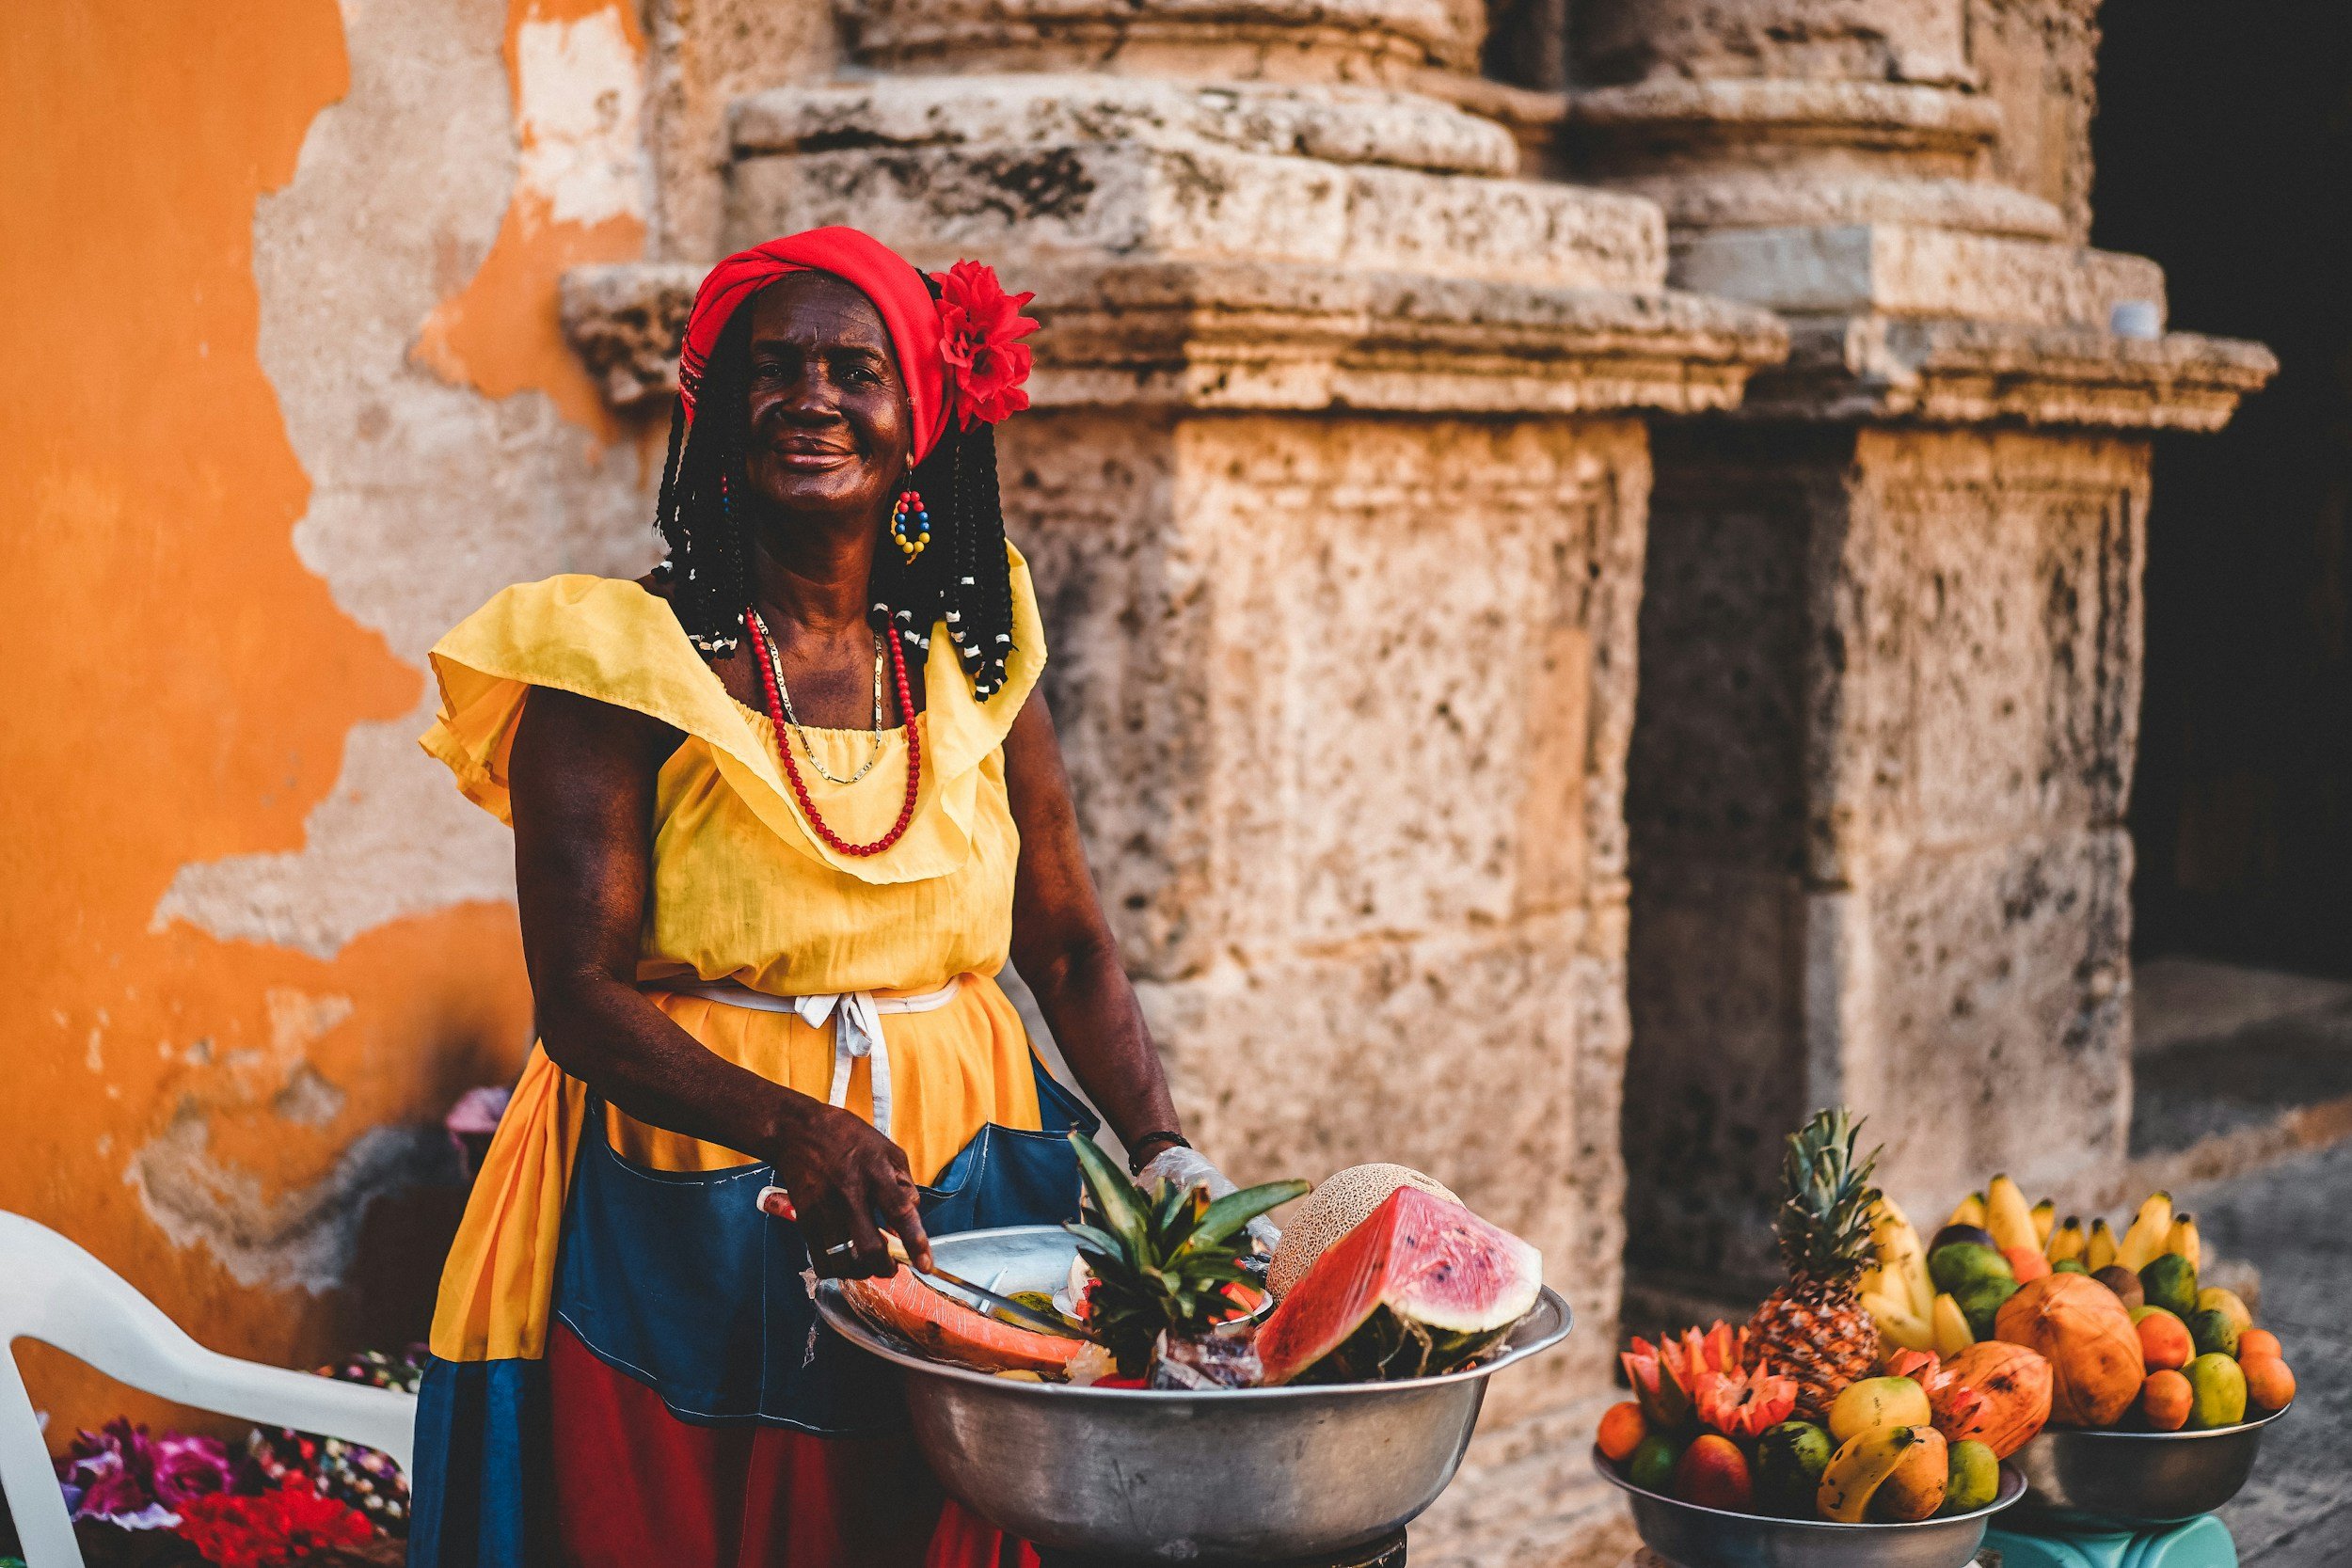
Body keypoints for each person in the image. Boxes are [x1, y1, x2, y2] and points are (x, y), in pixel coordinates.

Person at [407, 228, 1232, 1568]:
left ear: (920, 421)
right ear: (717, 414)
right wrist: (795, 1128)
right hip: (687, 1187)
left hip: (967, 1177)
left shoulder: (970, 660)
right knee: (689, 1520)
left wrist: (1165, 1152)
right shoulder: (614, 664)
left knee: (927, 1517)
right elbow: (581, 997)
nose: (812, 398)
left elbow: (1069, 945)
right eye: (774, 367)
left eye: (857, 369)